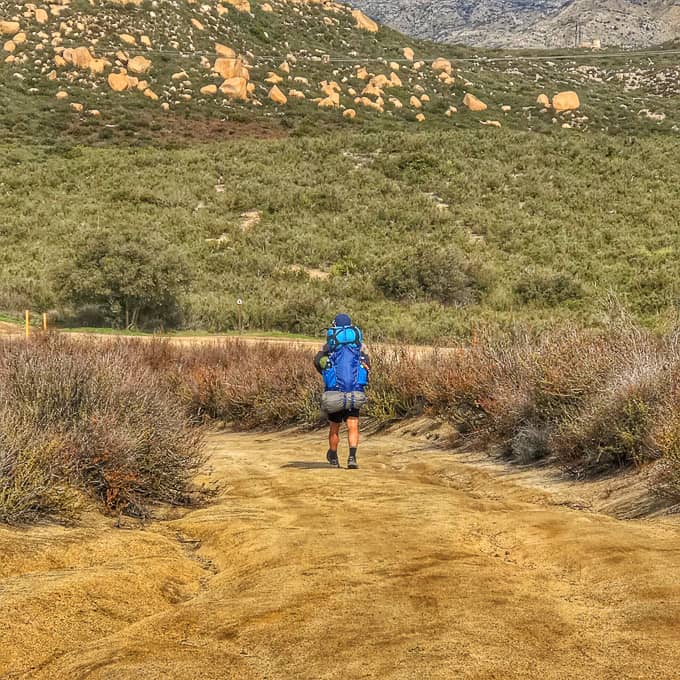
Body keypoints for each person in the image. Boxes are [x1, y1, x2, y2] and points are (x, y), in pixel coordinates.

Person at [314, 313, 370, 470]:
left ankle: (333, 457)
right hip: (355, 391)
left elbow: (318, 362)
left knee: (334, 427)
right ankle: (352, 457)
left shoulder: (329, 346)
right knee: (353, 425)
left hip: (334, 392)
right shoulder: (359, 346)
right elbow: (368, 366)